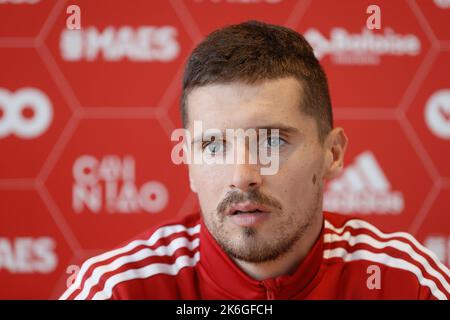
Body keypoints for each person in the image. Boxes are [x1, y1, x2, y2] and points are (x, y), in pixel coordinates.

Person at [60, 20, 450, 300]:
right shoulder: (121, 289)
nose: (243, 175)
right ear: (191, 163)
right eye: (214, 145)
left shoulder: (407, 283)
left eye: (273, 141)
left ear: (332, 154)